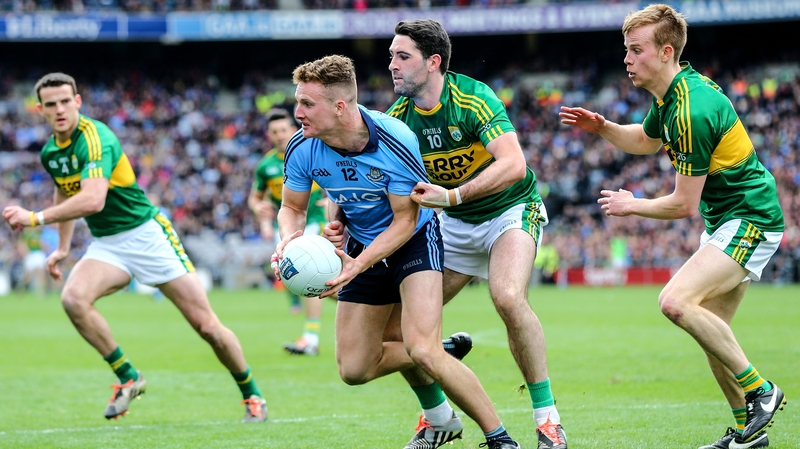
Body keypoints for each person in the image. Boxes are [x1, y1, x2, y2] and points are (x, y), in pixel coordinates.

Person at [559, 4, 786, 449]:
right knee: (714, 338)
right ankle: (746, 435)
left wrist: (632, 205)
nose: (626, 59)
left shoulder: (690, 110)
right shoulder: (671, 97)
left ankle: (761, 390)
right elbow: (645, 141)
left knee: (675, 302)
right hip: (728, 219)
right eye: (626, 49)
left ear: (665, 52)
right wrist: (603, 127)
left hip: (751, 218)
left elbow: (684, 205)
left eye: (635, 50)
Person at [275, 54, 520, 449]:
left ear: (340, 107)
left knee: (422, 348)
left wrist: (359, 263)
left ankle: (501, 438)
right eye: (298, 101)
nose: (297, 112)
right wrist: (288, 241)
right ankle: (444, 355)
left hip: (412, 243)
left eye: (306, 103)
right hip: (357, 250)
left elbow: (406, 220)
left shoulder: (395, 139)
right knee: (354, 369)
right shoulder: (302, 147)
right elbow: (292, 209)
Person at [2, 72, 268, 422]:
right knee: (73, 299)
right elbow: (66, 192)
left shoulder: (96, 138)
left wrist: (35, 218)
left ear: (78, 102)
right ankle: (128, 377)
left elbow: (93, 200)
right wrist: (63, 247)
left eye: (66, 101)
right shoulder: (51, 152)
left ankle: (252, 395)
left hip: (147, 236)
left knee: (207, 327)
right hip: (108, 245)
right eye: (51, 104)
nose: (60, 109)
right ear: (40, 110)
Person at [385, 19, 567, 449]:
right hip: (451, 225)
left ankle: (547, 421)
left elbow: (513, 164)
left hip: (509, 210)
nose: (391, 64)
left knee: (506, 295)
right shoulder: (397, 120)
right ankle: (438, 419)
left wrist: (454, 196)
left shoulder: (473, 98)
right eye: (391, 55)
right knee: (399, 331)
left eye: (402, 56)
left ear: (433, 62)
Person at [248, 108, 328, 356]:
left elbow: (333, 180)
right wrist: (257, 207)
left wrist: (333, 200)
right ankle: (360, 299)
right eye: (275, 131)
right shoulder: (266, 165)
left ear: (293, 130)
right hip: (284, 228)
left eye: (283, 130)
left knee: (310, 275)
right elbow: (255, 197)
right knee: (319, 282)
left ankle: (311, 338)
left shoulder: (312, 152)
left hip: (314, 222)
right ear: (269, 135)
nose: (280, 135)